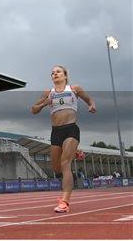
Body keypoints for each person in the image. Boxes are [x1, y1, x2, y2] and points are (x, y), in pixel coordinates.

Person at [31, 65, 96, 213]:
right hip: (56, 132)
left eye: (58, 72)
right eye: (52, 73)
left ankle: (65, 201)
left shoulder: (74, 88)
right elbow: (33, 110)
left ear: (65, 75)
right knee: (56, 168)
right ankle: (75, 151)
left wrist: (92, 105)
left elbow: (89, 99)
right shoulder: (48, 92)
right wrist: (43, 103)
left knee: (65, 163)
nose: (55, 74)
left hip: (71, 129)